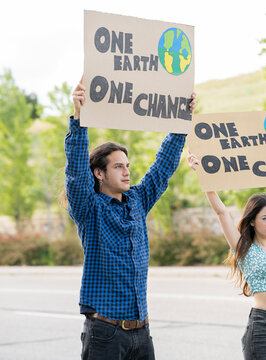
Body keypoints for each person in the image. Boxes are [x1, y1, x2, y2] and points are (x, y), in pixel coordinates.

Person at [66, 79, 197, 360]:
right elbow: (76, 173)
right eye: (118, 166)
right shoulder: (89, 209)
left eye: (127, 166)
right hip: (105, 334)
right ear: (99, 173)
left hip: (142, 333)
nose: (126, 172)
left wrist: (181, 121)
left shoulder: (137, 201)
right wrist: (79, 118)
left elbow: (161, 169)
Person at [187, 153, 266, 360]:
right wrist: (203, 175)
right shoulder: (244, 248)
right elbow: (222, 212)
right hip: (263, 327)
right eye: (265, 218)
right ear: (252, 221)